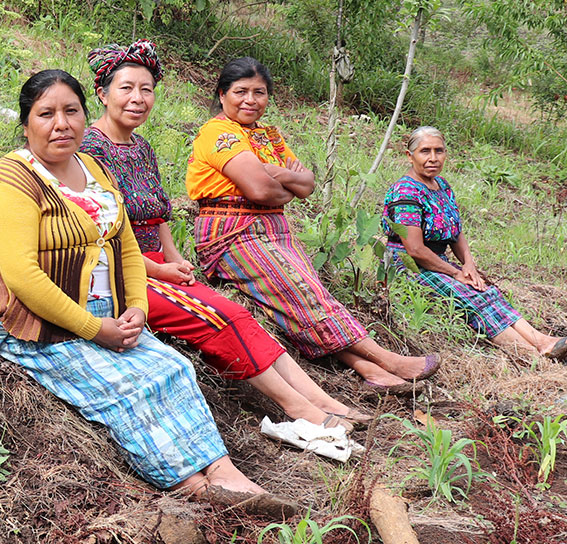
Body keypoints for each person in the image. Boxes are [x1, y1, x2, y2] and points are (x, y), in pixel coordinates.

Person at [0, 69, 295, 512]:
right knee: (130, 386)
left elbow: (123, 246)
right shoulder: (11, 180)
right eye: (46, 114)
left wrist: (137, 308)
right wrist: (94, 328)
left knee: (174, 368)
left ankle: (224, 473)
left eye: (71, 111)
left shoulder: (93, 169)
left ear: (86, 116)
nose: (61, 123)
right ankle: (194, 488)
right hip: (31, 320)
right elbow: (24, 277)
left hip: (105, 309)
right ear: (26, 123)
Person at [80, 40, 370, 432]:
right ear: (102, 93)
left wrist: (174, 257)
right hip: (122, 269)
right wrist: (158, 269)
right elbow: (103, 232)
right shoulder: (88, 150)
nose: (137, 98)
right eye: (126, 88)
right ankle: (301, 408)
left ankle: (321, 398)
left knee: (240, 314)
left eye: (146, 89)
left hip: (158, 263)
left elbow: (159, 215)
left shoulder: (141, 147)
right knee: (221, 317)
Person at [187, 57, 440, 392]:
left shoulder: (268, 136)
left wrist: (280, 175)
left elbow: (306, 186)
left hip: (272, 229)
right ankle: (386, 359)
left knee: (309, 294)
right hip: (232, 232)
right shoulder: (218, 132)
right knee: (303, 293)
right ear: (222, 95)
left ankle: (370, 370)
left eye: (259, 92)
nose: (250, 99)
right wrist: (282, 182)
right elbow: (260, 189)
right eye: (240, 91)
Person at [382, 125, 567, 360]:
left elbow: (455, 231)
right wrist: (455, 273)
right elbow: (415, 249)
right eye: (425, 151)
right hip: (409, 265)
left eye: (439, 151)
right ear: (410, 156)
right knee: (471, 297)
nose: (433, 158)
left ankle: (544, 342)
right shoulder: (406, 192)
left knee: (488, 291)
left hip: (435, 260)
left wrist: (469, 265)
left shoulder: (441, 186)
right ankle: (531, 357)